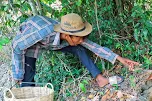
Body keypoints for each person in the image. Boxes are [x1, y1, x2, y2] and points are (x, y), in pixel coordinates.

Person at [11, 13, 139, 87]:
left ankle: (100, 79)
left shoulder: (73, 35)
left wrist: (119, 59)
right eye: (80, 38)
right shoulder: (42, 32)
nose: (82, 40)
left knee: (79, 48)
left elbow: (94, 46)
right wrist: (17, 73)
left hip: (53, 40)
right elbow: (17, 46)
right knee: (26, 79)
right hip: (30, 41)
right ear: (67, 35)